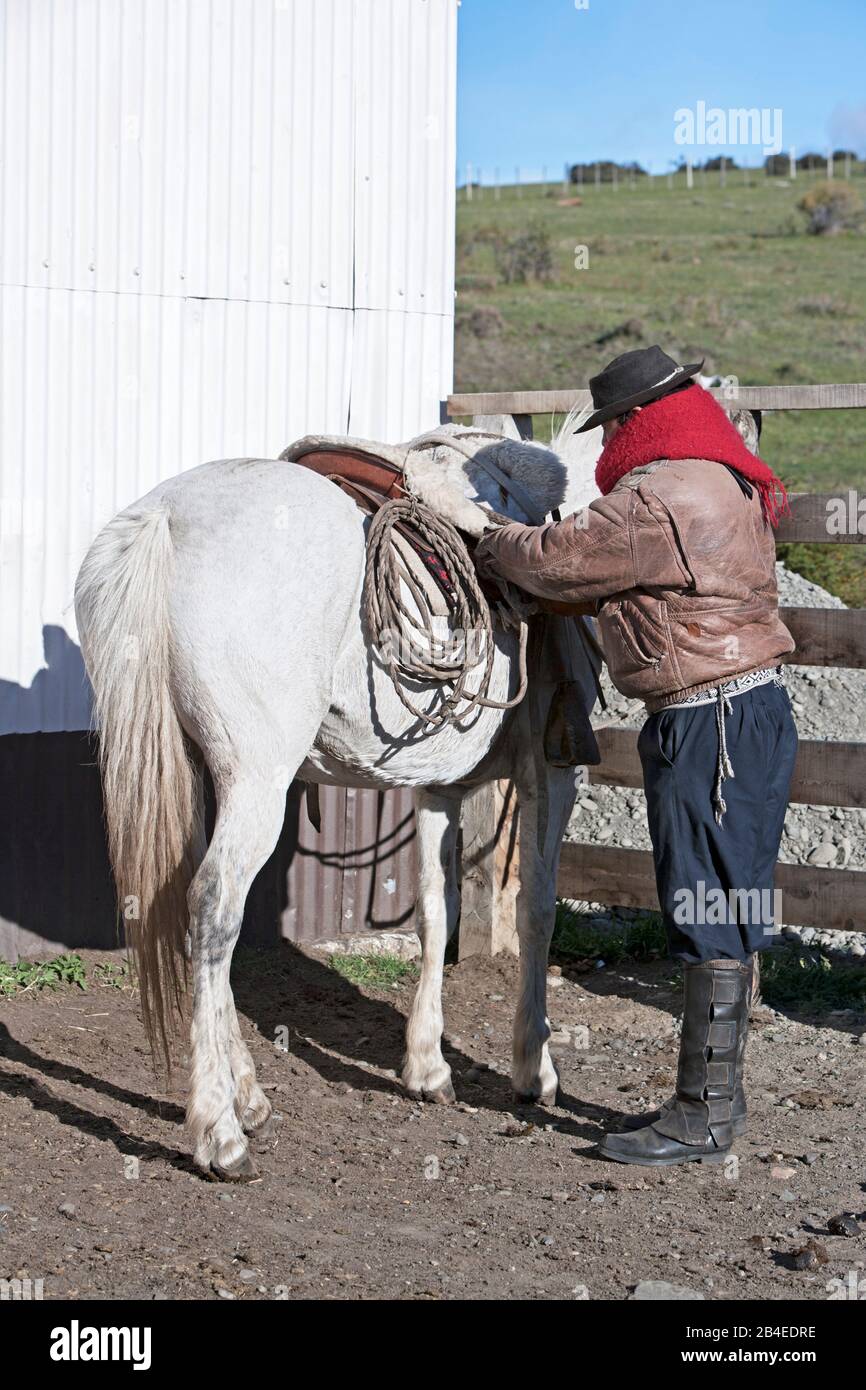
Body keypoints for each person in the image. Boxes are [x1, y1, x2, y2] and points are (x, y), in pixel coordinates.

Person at [474, 345, 798, 1167]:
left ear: (634, 420)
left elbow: (556, 560)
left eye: (616, 424)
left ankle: (704, 1111)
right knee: (727, 899)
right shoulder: (723, 479)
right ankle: (716, 1096)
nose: (614, 440)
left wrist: (489, 539)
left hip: (707, 724)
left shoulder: (656, 499)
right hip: (745, 711)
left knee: (703, 903)